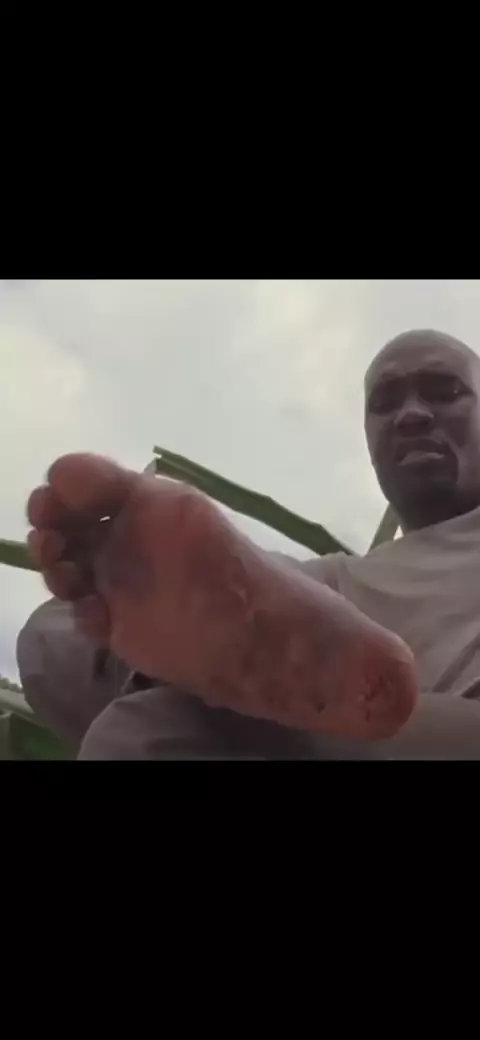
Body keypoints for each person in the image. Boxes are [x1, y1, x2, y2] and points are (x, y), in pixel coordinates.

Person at [17, 328, 480, 759]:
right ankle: (237, 680)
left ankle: (281, 696)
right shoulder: (338, 580)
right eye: (385, 402)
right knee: (80, 663)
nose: (411, 415)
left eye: (444, 391)